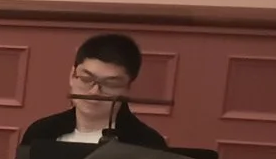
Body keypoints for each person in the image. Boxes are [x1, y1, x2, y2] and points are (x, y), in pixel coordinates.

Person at [18, 33, 167, 151]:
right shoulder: (41, 133)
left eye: (110, 83)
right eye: (86, 78)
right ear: (72, 75)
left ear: (128, 86)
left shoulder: (148, 144)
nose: (95, 91)